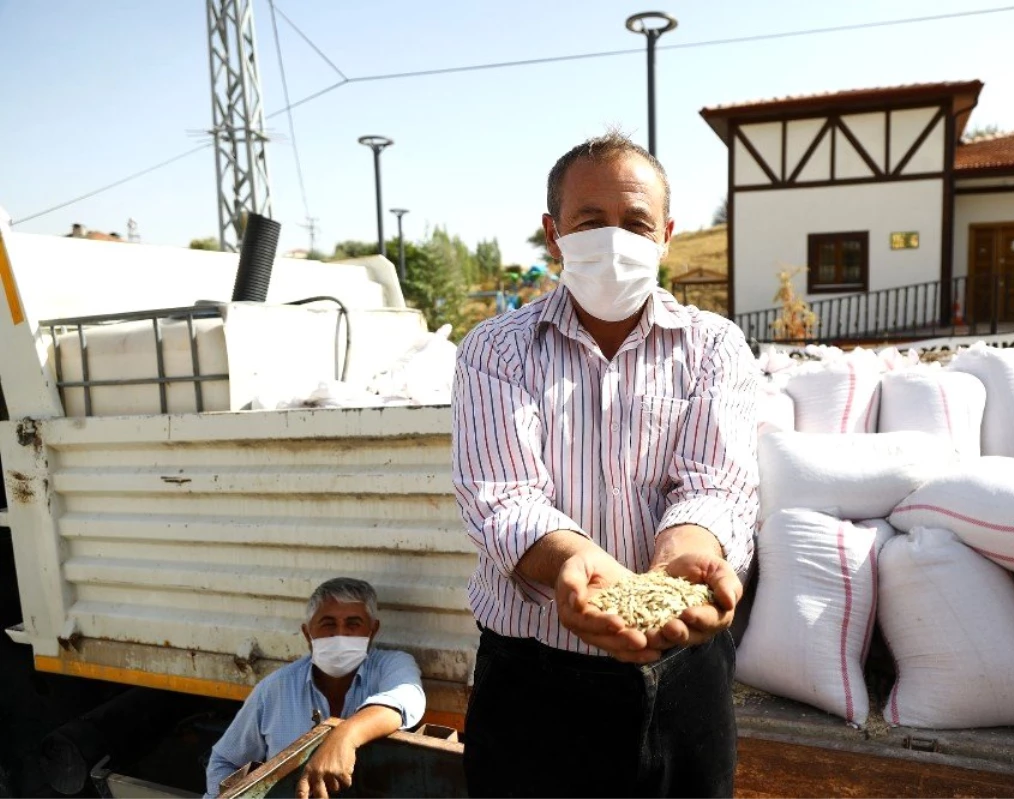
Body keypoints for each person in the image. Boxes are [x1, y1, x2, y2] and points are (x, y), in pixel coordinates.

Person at [451, 131, 759, 798]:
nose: (615, 240)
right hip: (534, 683)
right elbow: (503, 496)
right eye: (590, 222)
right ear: (553, 233)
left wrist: (690, 558)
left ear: (666, 235)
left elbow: (715, 485)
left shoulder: (714, 347)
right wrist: (571, 563)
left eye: (636, 222)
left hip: (686, 673)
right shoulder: (497, 351)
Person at [204, 577, 425, 799]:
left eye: (353, 623)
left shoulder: (392, 665)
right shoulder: (275, 690)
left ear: (373, 630)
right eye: (328, 624)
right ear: (307, 633)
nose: (340, 634)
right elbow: (225, 761)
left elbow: (403, 701)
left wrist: (344, 737)